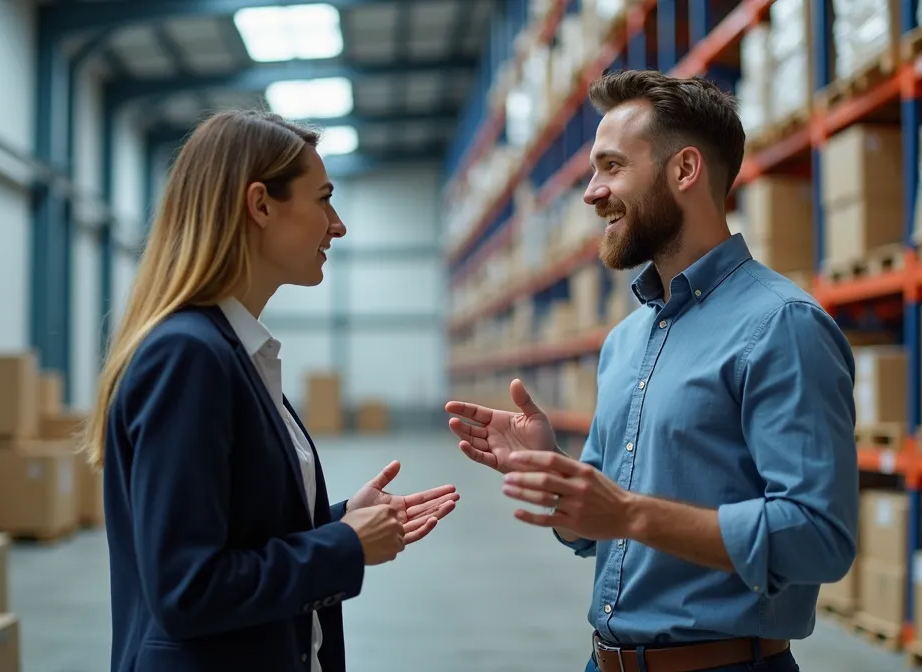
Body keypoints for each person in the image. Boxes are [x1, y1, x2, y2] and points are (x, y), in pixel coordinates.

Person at [445, 70, 858, 672]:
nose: (591, 193)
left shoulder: (781, 326)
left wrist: (631, 513)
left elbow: (820, 540)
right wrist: (553, 471)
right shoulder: (626, 341)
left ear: (684, 170)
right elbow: (592, 532)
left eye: (611, 167)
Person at [83, 110, 460, 672]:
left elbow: (234, 531)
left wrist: (336, 522)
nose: (338, 225)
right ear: (260, 205)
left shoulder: (232, 351)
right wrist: (345, 547)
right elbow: (188, 588)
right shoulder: (188, 356)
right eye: (324, 199)